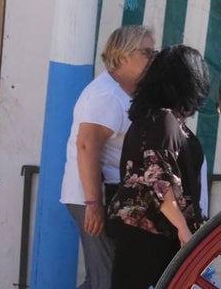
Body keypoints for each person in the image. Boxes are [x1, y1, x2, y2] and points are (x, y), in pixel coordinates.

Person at [59, 26, 157, 289]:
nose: (153, 58)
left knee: (102, 278)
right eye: (147, 52)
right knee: (108, 278)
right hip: (95, 195)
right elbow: (87, 147)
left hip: (107, 196)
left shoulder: (121, 93)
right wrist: (94, 203)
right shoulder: (107, 95)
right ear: (122, 56)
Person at [107, 45, 210, 289]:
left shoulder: (157, 119)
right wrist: (184, 230)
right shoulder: (162, 120)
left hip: (151, 231)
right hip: (151, 232)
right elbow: (160, 182)